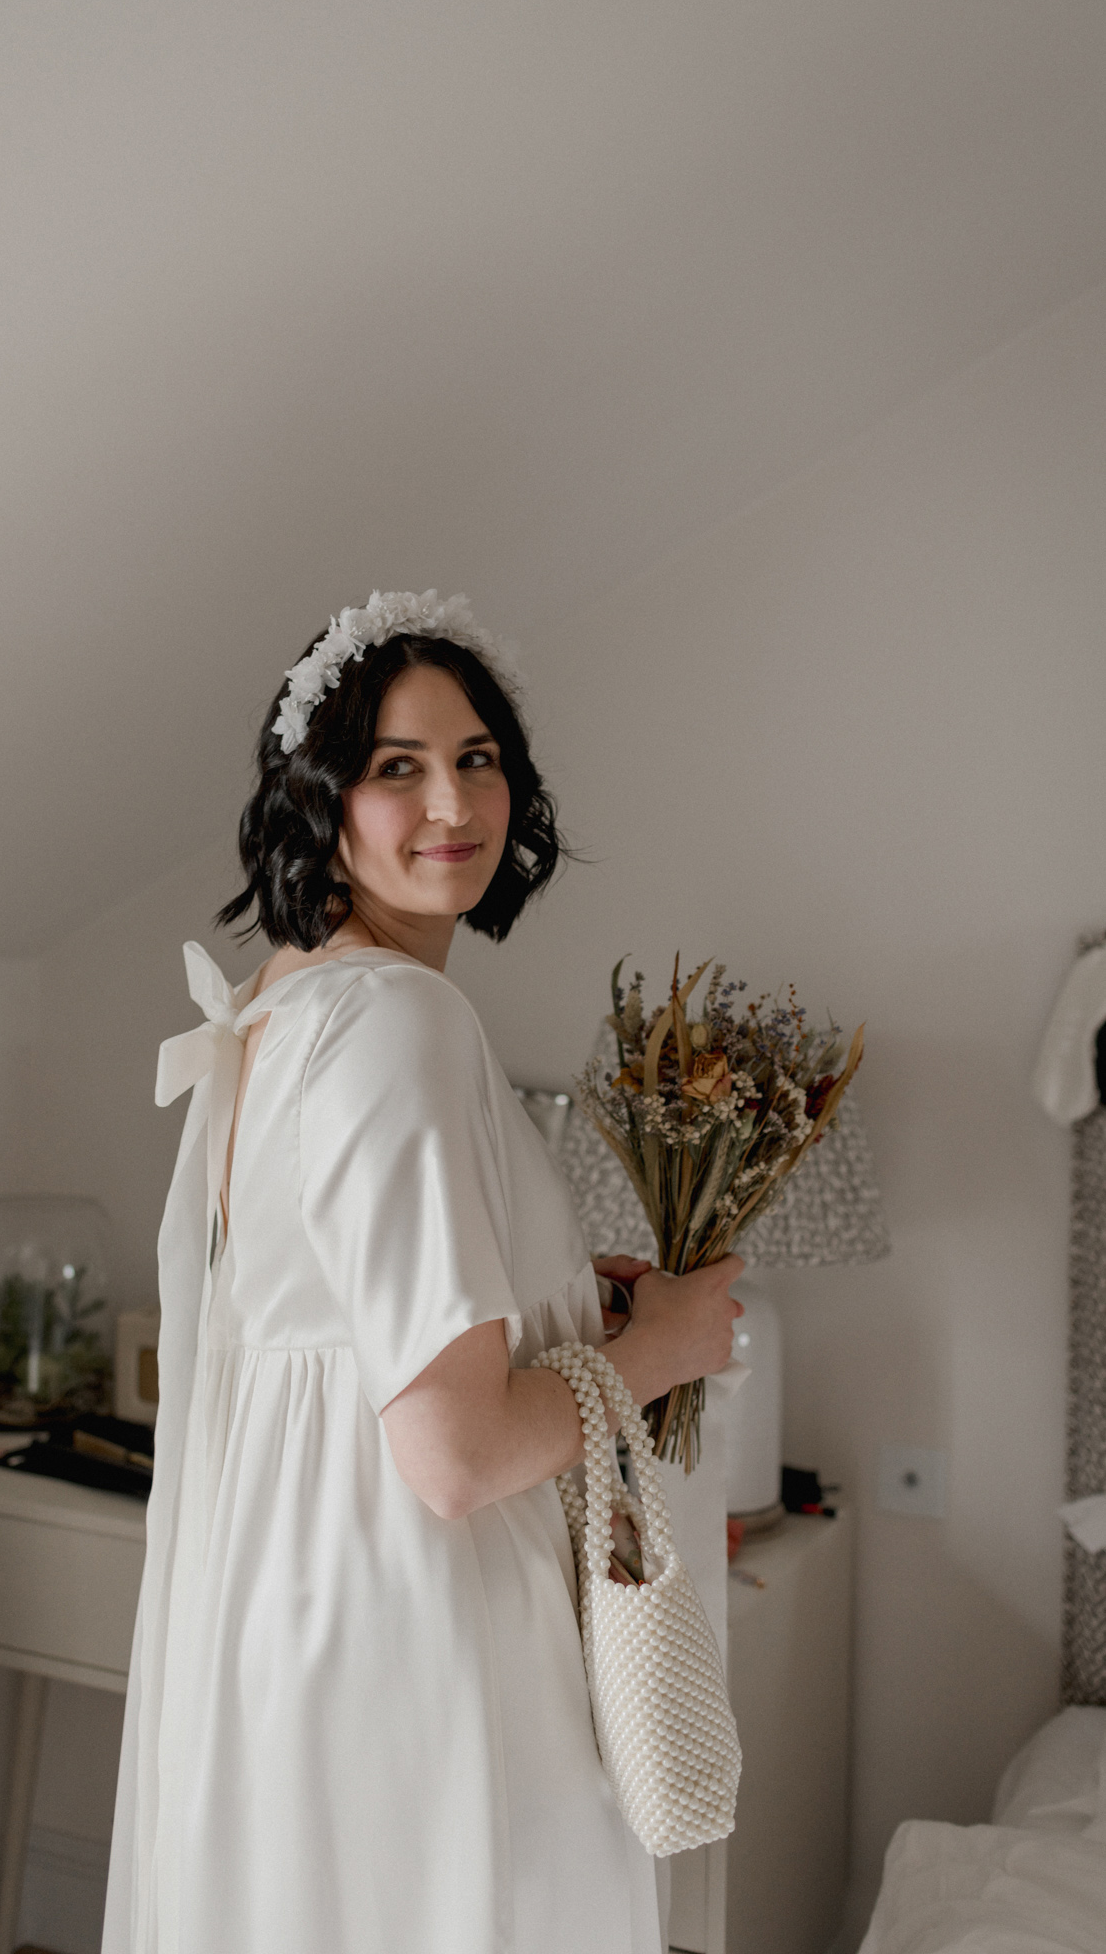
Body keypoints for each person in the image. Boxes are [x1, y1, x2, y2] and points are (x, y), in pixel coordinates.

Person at [102, 592, 744, 1954]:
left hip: (293, 1619)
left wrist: (570, 1301)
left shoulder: (283, 1007)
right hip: (421, 1627)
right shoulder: (402, 1023)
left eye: (477, 758)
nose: (451, 801)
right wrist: (664, 1346)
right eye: (395, 767)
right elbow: (452, 1456)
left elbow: (344, 1328)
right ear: (318, 799)